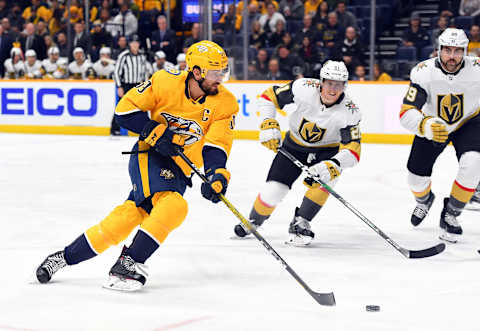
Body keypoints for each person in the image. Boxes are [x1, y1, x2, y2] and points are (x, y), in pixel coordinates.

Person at [35, 40, 239, 291]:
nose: (220, 79)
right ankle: (129, 263)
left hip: (180, 169)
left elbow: (217, 145)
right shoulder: (165, 81)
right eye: (214, 73)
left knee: (125, 219)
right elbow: (124, 111)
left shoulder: (225, 103)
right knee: (174, 205)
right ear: (196, 72)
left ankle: (63, 257)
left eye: (223, 72)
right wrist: (156, 133)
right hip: (148, 155)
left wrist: (216, 175)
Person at [233, 60, 362, 245]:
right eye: (329, 83)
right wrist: (268, 122)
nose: (333, 89)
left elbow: (353, 149)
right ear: (321, 81)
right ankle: (255, 220)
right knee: (274, 191)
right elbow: (268, 97)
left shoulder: (350, 112)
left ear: (345, 85)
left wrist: (334, 164)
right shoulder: (303, 87)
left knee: (326, 179)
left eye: (339, 84)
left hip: (326, 152)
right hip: (294, 146)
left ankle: (302, 221)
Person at [399, 28, 480, 243]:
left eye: (457, 51)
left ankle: (451, 213)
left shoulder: (478, 69)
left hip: (469, 122)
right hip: (434, 123)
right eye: (447, 50)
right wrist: (425, 125)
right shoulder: (423, 72)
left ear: (465, 51)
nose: (452, 56)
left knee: (473, 163)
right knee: (415, 178)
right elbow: (405, 113)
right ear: (438, 50)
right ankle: (425, 200)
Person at [112, 34, 153, 135]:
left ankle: (144, 129)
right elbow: (116, 72)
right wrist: (119, 86)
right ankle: (115, 128)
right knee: (122, 107)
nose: (135, 45)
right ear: (129, 44)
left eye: (136, 43)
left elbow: (145, 71)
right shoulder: (124, 55)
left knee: (142, 107)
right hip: (127, 84)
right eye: (133, 43)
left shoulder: (142, 56)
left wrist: (146, 85)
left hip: (139, 85)